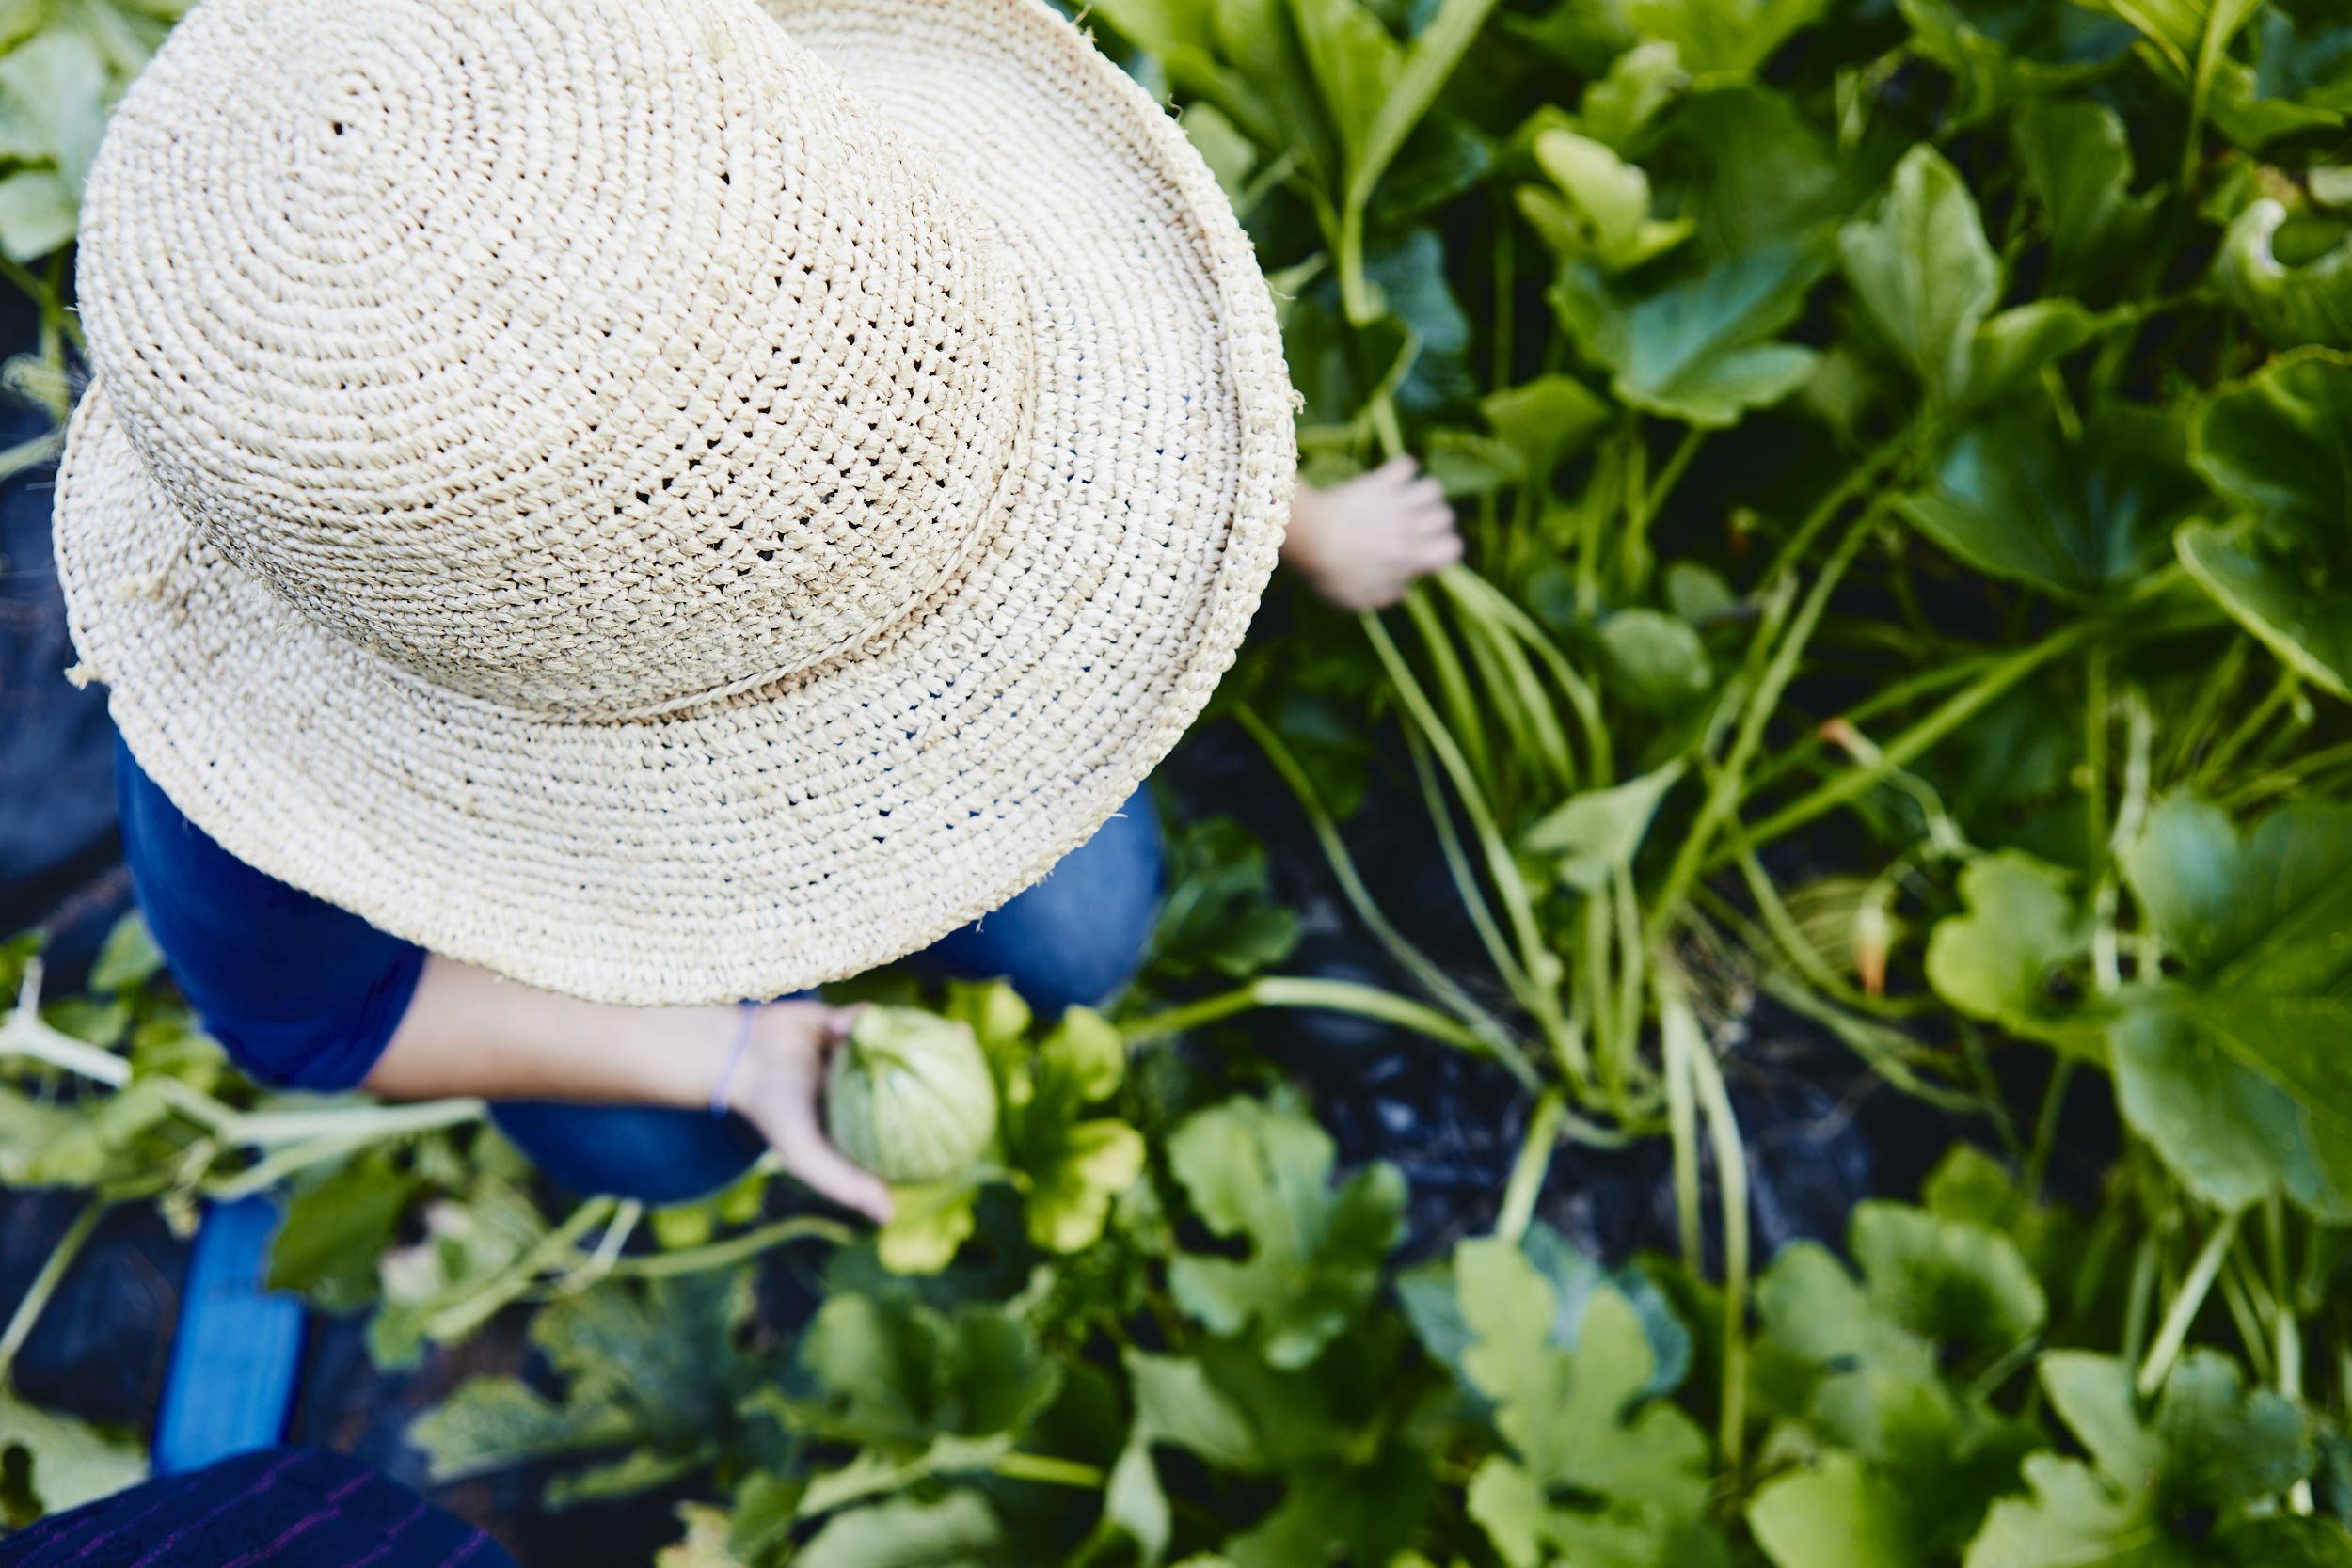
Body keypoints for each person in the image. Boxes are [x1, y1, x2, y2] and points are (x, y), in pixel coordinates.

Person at [56, 0, 1460, 1227]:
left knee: (1083, 941)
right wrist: (735, 1057)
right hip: (541, 854)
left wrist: (1302, 523)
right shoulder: (254, 744)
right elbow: (315, 1019)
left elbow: (1092, 376)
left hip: (880, 702)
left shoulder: (738, 139)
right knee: (651, 1140)